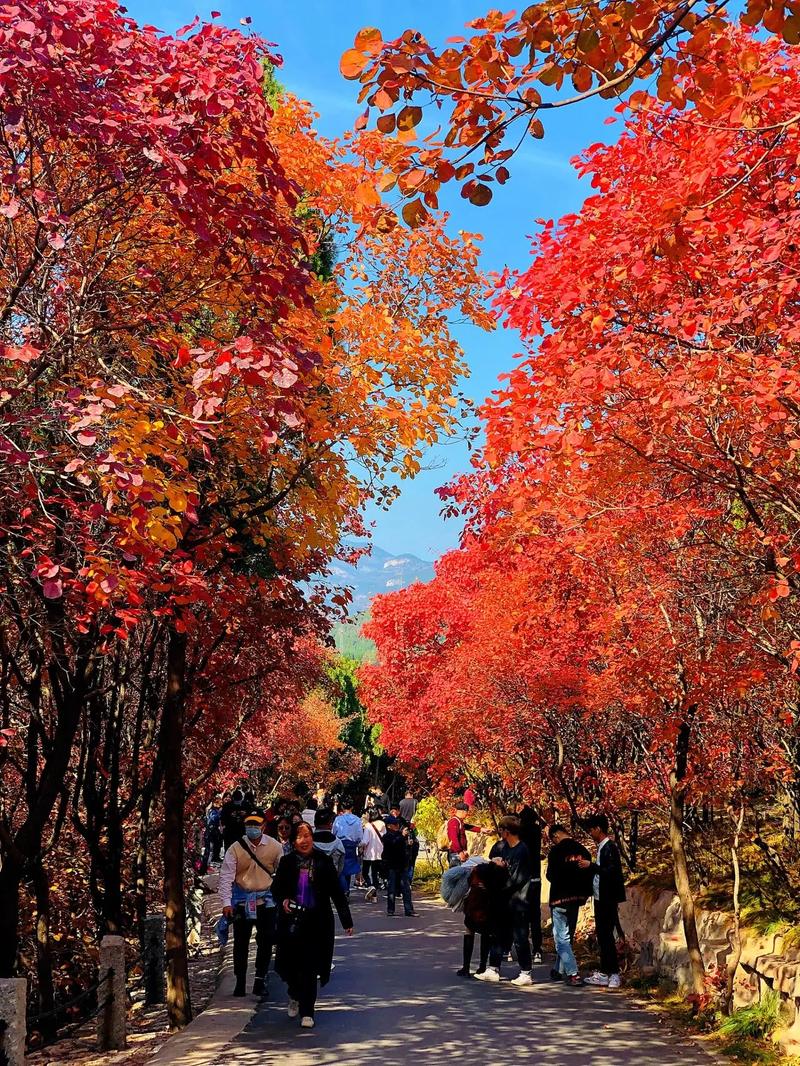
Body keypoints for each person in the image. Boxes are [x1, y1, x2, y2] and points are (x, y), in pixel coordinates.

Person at [272, 821, 353, 1029]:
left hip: (316, 922)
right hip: (291, 923)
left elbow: (336, 891)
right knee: (289, 966)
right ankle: (294, 994)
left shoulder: (323, 861)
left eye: (307, 835)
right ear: (293, 841)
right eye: (299, 836)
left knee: (310, 967)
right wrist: (283, 900)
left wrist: (346, 920)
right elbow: (277, 888)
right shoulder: (287, 862)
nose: (304, 840)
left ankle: (308, 1011)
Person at [220, 808, 284, 998]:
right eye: (249, 824)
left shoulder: (274, 846)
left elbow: (282, 873)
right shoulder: (235, 848)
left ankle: (259, 979)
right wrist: (226, 902)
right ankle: (240, 981)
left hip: (266, 902)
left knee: (265, 941)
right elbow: (226, 877)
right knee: (240, 943)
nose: (253, 828)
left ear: (264, 826)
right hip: (241, 901)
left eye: (256, 824)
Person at [476, 815, 533, 985]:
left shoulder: (522, 850)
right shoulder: (505, 848)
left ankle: (526, 972)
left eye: (501, 830)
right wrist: (494, 865)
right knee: (498, 934)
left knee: (520, 937)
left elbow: (516, 879)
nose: (500, 833)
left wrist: (499, 880)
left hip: (518, 901)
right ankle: (493, 968)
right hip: (504, 901)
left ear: (507, 832)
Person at [578, 814, 626, 989]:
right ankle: (605, 972)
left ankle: (614, 973)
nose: (590, 833)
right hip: (600, 897)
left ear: (598, 828)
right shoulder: (601, 848)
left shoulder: (609, 847)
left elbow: (612, 871)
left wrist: (591, 866)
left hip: (608, 897)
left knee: (607, 935)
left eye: (591, 829)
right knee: (603, 935)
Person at [546, 824, 592, 987]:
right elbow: (589, 872)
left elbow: (550, 875)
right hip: (576, 898)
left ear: (556, 836)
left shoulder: (555, 852)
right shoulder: (583, 850)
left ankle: (573, 973)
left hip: (559, 898)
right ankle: (559, 969)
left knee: (561, 939)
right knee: (567, 937)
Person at [458, 859, 508, 978]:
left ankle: (466, 967)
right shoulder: (499, 874)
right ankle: (482, 966)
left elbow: (468, 882)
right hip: (487, 909)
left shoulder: (477, 870)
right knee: (486, 935)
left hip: (473, 906)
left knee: (469, 932)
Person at [518, 803, 550, 966]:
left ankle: (522, 949)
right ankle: (537, 949)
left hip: (523, 878)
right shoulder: (536, 831)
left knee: (522, 915)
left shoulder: (520, 833)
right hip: (536, 876)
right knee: (535, 916)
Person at [382, 815, 417, 917]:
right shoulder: (387, 837)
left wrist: (409, 843)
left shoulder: (400, 835)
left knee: (406, 888)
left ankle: (409, 910)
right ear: (389, 826)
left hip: (403, 864)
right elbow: (393, 844)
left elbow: (404, 847)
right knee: (391, 888)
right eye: (395, 824)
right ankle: (391, 910)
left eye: (397, 824)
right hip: (392, 865)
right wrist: (402, 836)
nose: (397, 825)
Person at [333, 798, 363, 894]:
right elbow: (359, 835)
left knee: (340, 868)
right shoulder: (357, 820)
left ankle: (344, 889)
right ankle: (347, 889)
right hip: (352, 845)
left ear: (342, 807)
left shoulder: (338, 819)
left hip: (340, 844)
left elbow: (333, 832)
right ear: (352, 807)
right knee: (348, 868)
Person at [446, 801, 489, 867]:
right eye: (466, 812)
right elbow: (454, 839)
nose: (467, 814)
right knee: (458, 874)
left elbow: (468, 826)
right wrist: (460, 852)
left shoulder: (459, 821)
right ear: (462, 811)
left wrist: (481, 829)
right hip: (456, 854)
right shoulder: (454, 822)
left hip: (458, 853)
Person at [313, 808, 345, 877]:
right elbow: (340, 868)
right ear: (331, 824)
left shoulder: (307, 844)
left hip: (311, 883)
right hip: (332, 882)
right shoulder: (338, 843)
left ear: (315, 823)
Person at [361, 813, 384, 901]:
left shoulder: (368, 826)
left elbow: (365, 841)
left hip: (369, 853)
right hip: (380, 853)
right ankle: (374, 896)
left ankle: (370, 887)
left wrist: (360, 845)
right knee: (374, 873)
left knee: (365, 873)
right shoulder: (383, 825)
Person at [199, 793, 224, 874]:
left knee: (210, 851)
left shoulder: (214, 811)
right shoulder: (212, 811)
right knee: (208, 851)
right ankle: (204, 868)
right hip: (210, 832)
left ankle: (205, 867)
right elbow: (213, 820)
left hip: (213, 832)